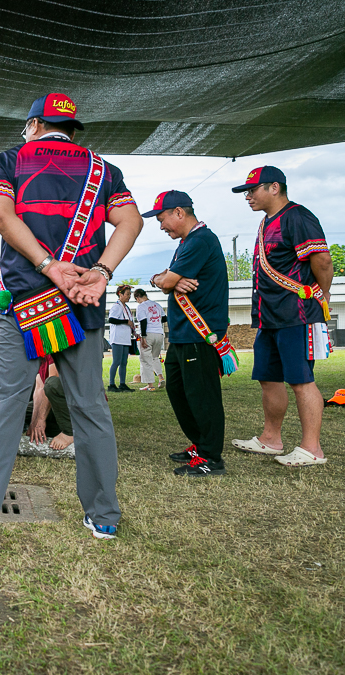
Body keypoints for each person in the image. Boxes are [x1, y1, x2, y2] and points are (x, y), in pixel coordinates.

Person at [0, 92, 143, 545]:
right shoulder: (103, 170)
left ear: (34, 125)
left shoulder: (10, 160)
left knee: (3, 407)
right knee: (89, 406)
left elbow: (1, 215)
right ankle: (104, 517)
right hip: (82, 303)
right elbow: (130, 222)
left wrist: (47, 265)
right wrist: (100, 272)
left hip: (23, 301)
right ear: (73, 130)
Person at [228, 167, 333, 467]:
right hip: (268, 317)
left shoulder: (298, 216)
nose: (248, 196)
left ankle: (312, 448)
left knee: (301, 380)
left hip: (296, 315)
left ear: (275, 187)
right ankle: (271, 439)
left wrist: (322, 296)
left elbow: (322, 261)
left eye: (252, 189)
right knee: (268, 378)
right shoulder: (265, 223)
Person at [146, 191, 232, 476]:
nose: (161, 227)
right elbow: (164, 279)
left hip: (200, 333)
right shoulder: (187, 242)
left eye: (162, 219)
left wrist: (167, 280)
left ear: (179, 212)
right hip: (184, 334)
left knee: (202, 395)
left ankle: (211, 457)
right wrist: (164, 279)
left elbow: (167, 279)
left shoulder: (201, 240)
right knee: (179, 390)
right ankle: (200, 444)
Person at [26, 356, 73, 451]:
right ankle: (52, 430)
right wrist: (34, 422)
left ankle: (70, 432)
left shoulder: (53, 348)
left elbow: (52, 383)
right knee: (22, 410)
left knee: (51, 384)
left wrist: (41, 419)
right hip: (58, 404)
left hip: (74, 403)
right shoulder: (40, 355)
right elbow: (39, 388)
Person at [107, 284, 138, 392]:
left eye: (130, 294)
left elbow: (129, 322)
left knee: (124, 362)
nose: (129, 296)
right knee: (116, 361)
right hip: (117, 338)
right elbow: (111, 320)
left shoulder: (127, 308)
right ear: (120, 294)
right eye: (127, 294)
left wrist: (134, 332)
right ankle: (111, 384)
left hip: (125, 338)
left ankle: (122, 384)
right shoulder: (116, 306)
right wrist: (126, 322)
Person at [134, 288, 166, 390]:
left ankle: (150, 385)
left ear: (137, 297)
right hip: (159, 334)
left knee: (145, 359)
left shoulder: (141, 306)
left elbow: (143, 321)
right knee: (155, 357)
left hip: (148, 333)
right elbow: (165, 318)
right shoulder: (157, 305)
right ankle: (161, 378)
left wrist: (143, 337)